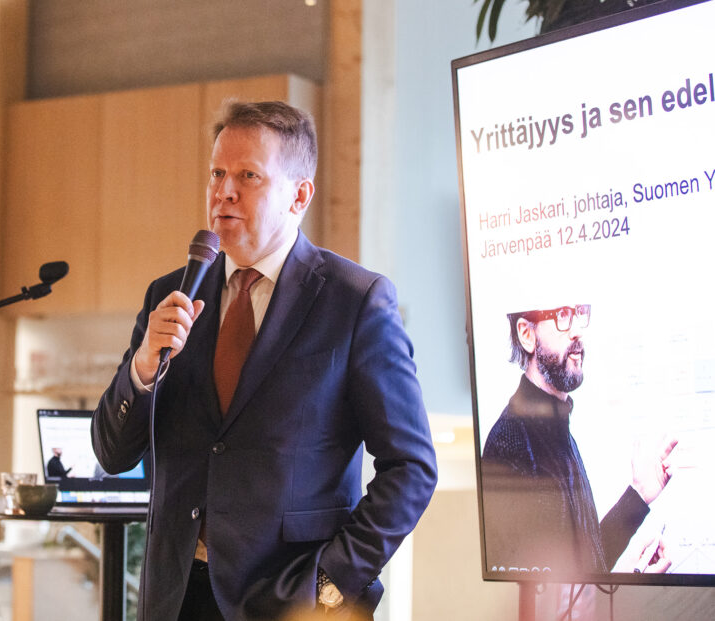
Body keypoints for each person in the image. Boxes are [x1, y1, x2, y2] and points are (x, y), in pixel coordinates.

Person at [91, 101, 437, 621]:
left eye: (248, 176)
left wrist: (330, 582)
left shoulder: (354, 301)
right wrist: (141, 369)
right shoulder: (172, 294)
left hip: (293, 601)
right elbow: (112, 454)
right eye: (217, 174)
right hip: (175, 596)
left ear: (299, 195)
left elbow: (411, 467)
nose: (224, 192)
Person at [481, 303, 677, 578]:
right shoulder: (510, 444)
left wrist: (638, 495)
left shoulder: (557, 429)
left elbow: (580, 563)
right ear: (526, 334)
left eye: (579, 312)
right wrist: (633, 581)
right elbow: (549, 594)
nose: (577, 331)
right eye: (562, 314)